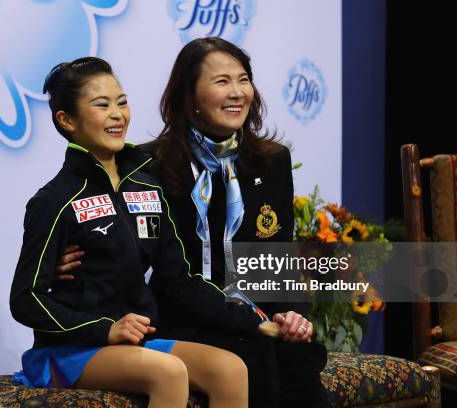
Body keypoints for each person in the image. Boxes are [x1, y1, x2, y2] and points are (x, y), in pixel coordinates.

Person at [57, 40, 328, 408]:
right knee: (256, 354)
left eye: (243, 79)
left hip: (252, 312)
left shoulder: (271, 161)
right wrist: (69, 258)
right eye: (221, 82)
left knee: (297, 354)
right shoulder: (147, 166)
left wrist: (290, 314)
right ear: (191, 95)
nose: (237, 92)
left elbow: (274, 257)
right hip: (182, 317)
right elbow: (144, 261)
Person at [9, 57, 281, 408]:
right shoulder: (55, 199)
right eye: (101, 105)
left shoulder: (148, 187)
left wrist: (253, 321)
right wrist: (106, 328)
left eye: (121, 102)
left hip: (135, 342)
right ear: (66, 120)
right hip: (72, 348)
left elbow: (179, 279)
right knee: (168, 372)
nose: (117, 114)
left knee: (230, 369)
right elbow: (26, 298)